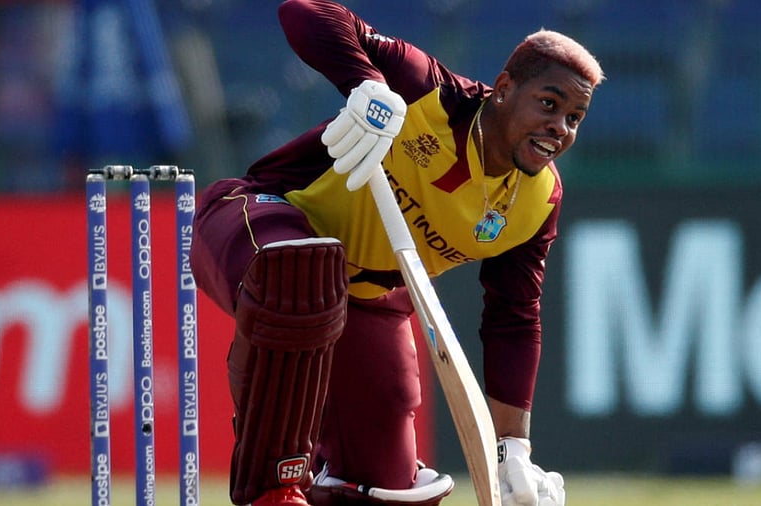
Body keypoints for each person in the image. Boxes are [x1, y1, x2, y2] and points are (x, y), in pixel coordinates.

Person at [189, 1, 604, 505]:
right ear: (506, 88)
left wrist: (512, 446)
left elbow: (513, 318)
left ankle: (327, 479)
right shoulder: (430, 92)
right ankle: (272, 487)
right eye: (549, 103)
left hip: (362, 298)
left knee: (388, 490)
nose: (560, 127)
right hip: (257, 220)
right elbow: (304, 12)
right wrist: (366, 83)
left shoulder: (539, 202)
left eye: (574, 117)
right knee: (301, 276)